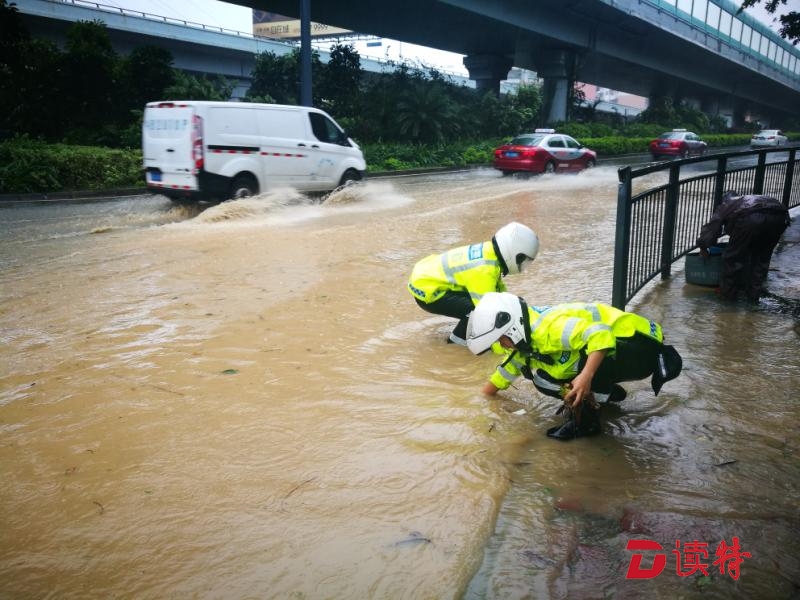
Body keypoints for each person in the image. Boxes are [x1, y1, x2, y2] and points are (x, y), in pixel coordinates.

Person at [466, 292, 682, 440]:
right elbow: (504, 373)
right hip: (627, 348)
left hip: (641, 347)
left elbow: (601, 334)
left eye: (501, 339)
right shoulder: (524, 339)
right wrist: (479, 405)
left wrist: (586, 376)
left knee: (578, 366)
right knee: (544, 378)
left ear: (512, 328)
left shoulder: (546, 328)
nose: (502, 345)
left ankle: (587, 425)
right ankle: (605, 395)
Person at [407, 222, 539, 345]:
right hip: (428, 290)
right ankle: (455, 344)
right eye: (523, 260)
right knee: (477, 312)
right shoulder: (484, 270)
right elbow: (487, 312)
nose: (522, 265)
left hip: (426, 277)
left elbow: (498, 292)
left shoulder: (489, 253)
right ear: (514, 254)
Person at [696, 191, 790, 303]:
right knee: (761, 259)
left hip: (752, 219)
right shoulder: (745, 200)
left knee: (732, 259)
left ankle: (727, 298)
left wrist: (703, 247)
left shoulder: (726, 204)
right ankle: (753, 298)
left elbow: (711, 229)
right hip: (780, 217)